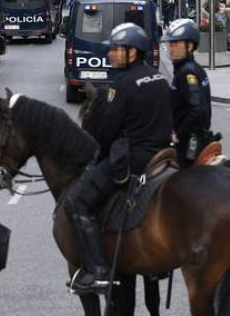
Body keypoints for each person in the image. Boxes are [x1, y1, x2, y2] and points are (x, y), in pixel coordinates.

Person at [63, 23, 173, 295]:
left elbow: (108, 130)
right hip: (162, 155)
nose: (111, 54)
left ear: (133, 52)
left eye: (116, 50)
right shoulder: (159, 78)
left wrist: (97, 157)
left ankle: (97, 271)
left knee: (76, 204)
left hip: (134, 158)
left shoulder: (121, 85)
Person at [162, 19, 212, 168]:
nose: (170, 48)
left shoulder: (187, 72)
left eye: (175, 44)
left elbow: (197, 108)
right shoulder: (193, 68)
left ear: (189, 46)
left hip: (189, 142)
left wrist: (178, 135)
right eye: (170, 44)